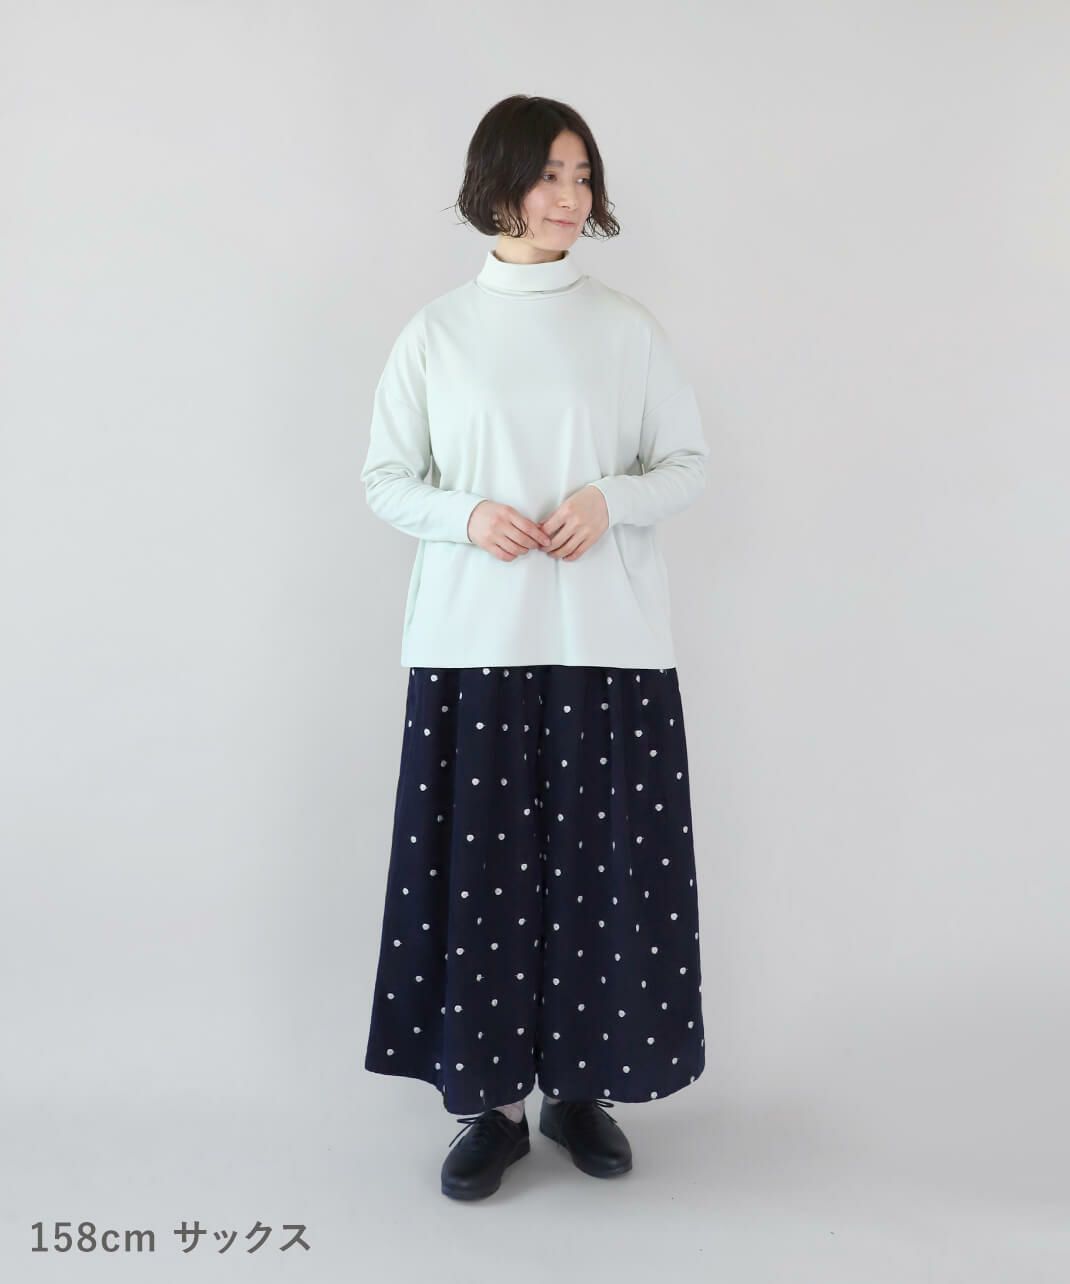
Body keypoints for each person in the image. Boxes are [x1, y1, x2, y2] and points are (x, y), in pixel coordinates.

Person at [361, 94, 710, 1201]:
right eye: (549, 174)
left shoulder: (625, 327)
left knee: (601, 880)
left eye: (581, 174)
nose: (569, 196)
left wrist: (611, 497)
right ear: (498, 183)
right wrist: (465, 515)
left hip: (607, 645)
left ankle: (582, 1091)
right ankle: (491, 1106)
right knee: (480, 883)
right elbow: (385, 479)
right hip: (473, 646)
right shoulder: (436, 332)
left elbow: (687, 463)